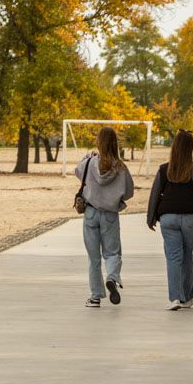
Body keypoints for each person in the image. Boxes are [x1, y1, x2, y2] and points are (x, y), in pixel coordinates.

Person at [146, 130, 193, 310]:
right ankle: (187, 298)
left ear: (174, 147)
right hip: (191, 219)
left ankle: (175, 298)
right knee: (186, 257)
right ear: (191, 148)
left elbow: (155, 194)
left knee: (173, 258)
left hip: (168, 219)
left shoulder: (164, 169)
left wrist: (150, 217)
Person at [74, 127, 135, 308]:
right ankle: (112, 277)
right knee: (112, 252)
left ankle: (95, 296)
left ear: (99, 142)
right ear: (115, 143)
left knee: (93, 258)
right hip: (110, 215)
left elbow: (77, 172)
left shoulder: (89, 163)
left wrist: (87, 156)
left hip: (91, 213)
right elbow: (129, 193)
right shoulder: (121, 168)